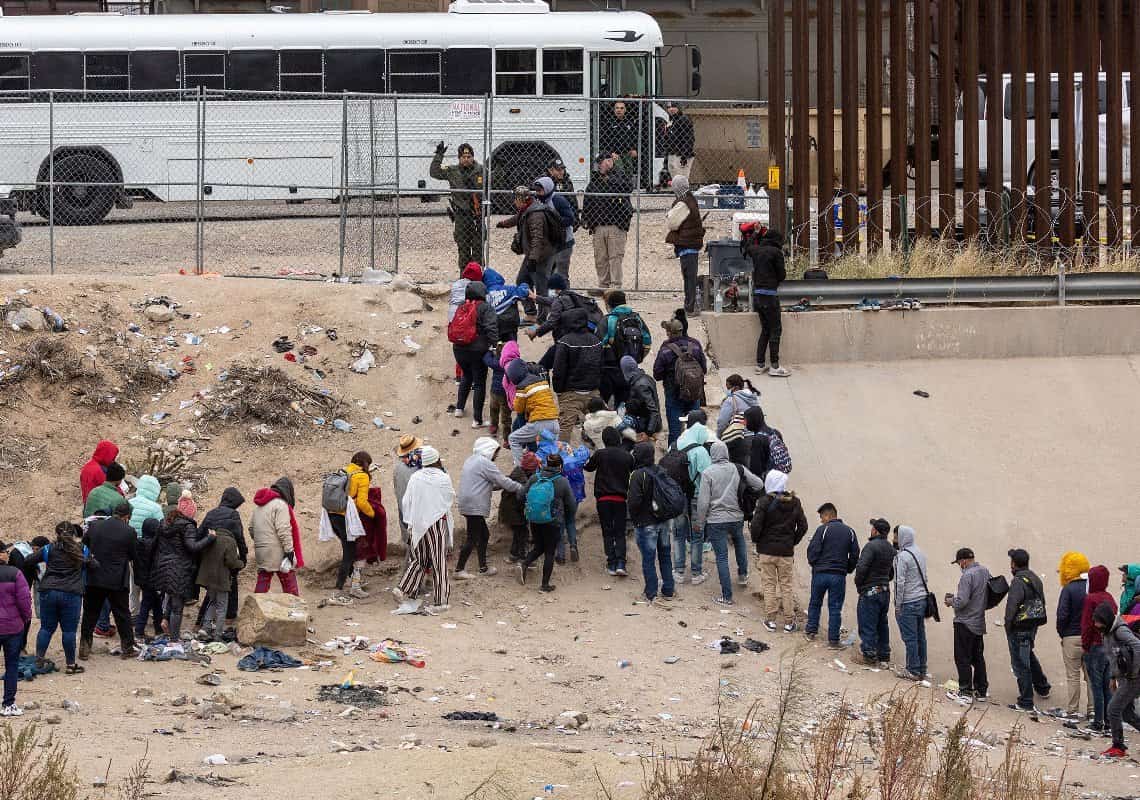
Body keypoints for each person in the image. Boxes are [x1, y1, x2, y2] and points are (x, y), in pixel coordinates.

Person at [694, 441, 765, 606]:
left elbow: (703, 502)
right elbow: (759, 484)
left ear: (712, 454)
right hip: (737, 517)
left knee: (721, 557)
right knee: (739, 541)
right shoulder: (737, 468)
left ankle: (726, 596)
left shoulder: (708, 473)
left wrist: (700, 521)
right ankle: (742, 575)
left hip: (716, 520)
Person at [395, 447, 455, 612]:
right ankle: (441, 601)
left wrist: (410, 521)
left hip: (417, 524)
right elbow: (449, 498)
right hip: (436, 524)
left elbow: (407, 501)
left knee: (419, 559)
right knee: (438, 562)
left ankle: (402, 588)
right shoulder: (443, 477)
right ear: (436, 460)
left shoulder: (415, 477)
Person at [29, 523, 92, 674]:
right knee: (69, 631)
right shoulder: (82, 549)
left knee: (46, 628)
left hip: (49, 591)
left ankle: (39, 661)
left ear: (56, 533)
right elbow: (94, 565)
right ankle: (70, 665)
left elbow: (28, 560)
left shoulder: (48, 548)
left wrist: (39, 571)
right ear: (74, 533)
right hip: (72, 593)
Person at [79, 502, 140, 660]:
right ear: (127, 517)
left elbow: (85, 543)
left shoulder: (95, 526)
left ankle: (84, 647)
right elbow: (133, 555)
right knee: (122, 614)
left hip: (94, 576)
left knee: (90, 613)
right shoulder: (129, 532)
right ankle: (127, 648)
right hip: (117, 580)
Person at [456, 437, 522, 580]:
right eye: (495, 453)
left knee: (484, 535)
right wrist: (522, 488)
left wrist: (503, 483)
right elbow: (503, 482)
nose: (496, 456)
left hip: (468, 503)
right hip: (475, 505)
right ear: (488, 450)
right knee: (472, 538)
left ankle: (483, 567)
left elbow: (487, 483)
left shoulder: (471, 460)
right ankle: (459, 569)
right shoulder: (485, 463)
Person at [150, 492, 211, 642]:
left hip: (162, 568)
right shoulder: (188, 526)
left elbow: (154, 546)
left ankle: (165, 620)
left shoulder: (164, 523)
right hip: (179, 568)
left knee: (171, 595)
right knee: (178, 607)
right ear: (190, 513)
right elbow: (192, 546)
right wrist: (209, 538)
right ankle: (174, 640)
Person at [750, 469, 807, 624]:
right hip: (786, 552)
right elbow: (803, 526)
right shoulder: (795, 502)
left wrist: (758, 541)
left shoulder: (764, 501)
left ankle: (771, 619)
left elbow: (755, 526)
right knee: (786, 586)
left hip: (767, 551)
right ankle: (789, 621)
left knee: (769, 584)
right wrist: (792, 541)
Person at [626, 442, 678, 604]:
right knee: (665, 556)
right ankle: (668, 590)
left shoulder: (637, 474)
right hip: (663, 522)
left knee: (648, 559)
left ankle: (651, 592)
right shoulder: (661, 471)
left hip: (645, 523)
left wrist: (635, 519)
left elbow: (633, 502)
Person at [518, 452, 576, 593]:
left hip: (535, 519)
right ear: (560, 466)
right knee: (549, 551)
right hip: (553, 521)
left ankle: (524, 564)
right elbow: (571, 504)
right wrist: (567, 515)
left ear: (545, 464)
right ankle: (544, 585)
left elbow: (520, 495)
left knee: (539, 547)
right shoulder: (562, 481)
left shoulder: (535, 478)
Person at [1004, 547, 1052, 712]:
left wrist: (1008, 626)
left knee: (1020, 663)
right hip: (1033, 625)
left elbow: (1012, 607)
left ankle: (1025, 700)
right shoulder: (1035, 578)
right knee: (1028, 654)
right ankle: (1042, 686)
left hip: (1019, 628)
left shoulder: (1018, 581)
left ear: (1014, 564)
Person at [804, 503, 859, 647]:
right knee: (835, 607)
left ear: (829, 515)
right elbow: (855, 555)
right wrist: (847, 569)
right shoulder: (850, 532)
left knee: (815, 602)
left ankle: (811, 632)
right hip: (838, 576)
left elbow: (812, 551)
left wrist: (815, 565)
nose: (821, 520)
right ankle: (833, 640)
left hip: (820, 574)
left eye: (822, 517)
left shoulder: (823, 530)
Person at [669, 414, 714, 585]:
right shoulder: (701, 451)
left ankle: (678, 572)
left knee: (678, 534)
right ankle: (696, 573)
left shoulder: (674, 445)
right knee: (697, 536)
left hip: (676, 497)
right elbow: (708, 477)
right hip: (696, 498)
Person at [1092, 602, 1140, 758]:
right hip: (1124, 677)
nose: (1096, 624)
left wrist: (1134, 671)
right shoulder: (1106, 632)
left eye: (1098, 621)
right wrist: (1113, 677)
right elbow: (1113, 657)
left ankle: (1118, 746)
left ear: (1105, 619)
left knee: (1113, 709)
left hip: (1133, 678)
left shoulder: (1120, 631)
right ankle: (1118, 745)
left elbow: (1138, 646)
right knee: (1127, 715)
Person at [584, 427, 634, 577]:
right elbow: (633, 471)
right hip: (620, 499)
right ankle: (621, 563)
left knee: (607, 531)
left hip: (603, 499)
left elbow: (588, 467)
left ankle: (611, 563)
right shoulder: (627, 456)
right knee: (620, 532)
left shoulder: (600, 454)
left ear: (604, 440)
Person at [195, 487, 246, 628]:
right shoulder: (234, 515)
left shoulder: (211, 514)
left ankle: (200, 622)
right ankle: (229, 619)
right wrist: (243, 557)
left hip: (210, 557)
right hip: (227, 557)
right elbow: (240, 538)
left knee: (211, 591)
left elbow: (199, 534)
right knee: (231, 585)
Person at [743, 225, 790, 377]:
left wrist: (755, 233)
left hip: (757, 296)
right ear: (777, 241)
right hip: (770, 296)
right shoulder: (776, 252)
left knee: (765, 330)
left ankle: (760, 364)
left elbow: (747, 245)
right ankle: (774, 366)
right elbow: (782, 275)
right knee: (775, 330)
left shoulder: (757, 250)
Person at [945, 547, 992, 701]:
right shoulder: (985, 571)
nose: (960, 566)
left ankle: (965, 690)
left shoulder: (967, 576)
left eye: (959, 562)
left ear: (964, 561)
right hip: (979, 622)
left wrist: (950, 601)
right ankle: (981, 690)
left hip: (964, 623)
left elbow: (962, 601)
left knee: (962, 657)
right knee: (978, 657)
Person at [652, 318, 708, 446]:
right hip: (694, 393)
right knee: (695, 430)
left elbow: (657, 374)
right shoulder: (695, 345)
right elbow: (703, 369)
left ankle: (674, 457)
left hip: (674, 394)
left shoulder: (665, 349)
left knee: (675, 432)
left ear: (669, 332)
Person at [451, 281, 499, 428]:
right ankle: (477, 420)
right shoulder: (485, 308)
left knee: (466, 375)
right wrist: (494, 345)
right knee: (479, 382)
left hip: (458, 348)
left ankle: (459, 408)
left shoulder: (461, 306)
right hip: (477, 351)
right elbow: (491, 328)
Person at [551, 307, 603, 442]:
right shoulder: (596, 340)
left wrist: (559, 391)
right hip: (592, 391)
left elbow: (558, 370)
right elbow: (600, 365)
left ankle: (560, 459)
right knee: (599, 427)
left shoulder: (565, 341)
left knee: (564, 429)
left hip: (570, 393)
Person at [328, 452, 376, 597]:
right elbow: (361, 502)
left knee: (349, 548)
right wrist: (373, 514)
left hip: (331, 514)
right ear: (366, 463)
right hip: (344, 517)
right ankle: (340, 588)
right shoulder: (362, 476)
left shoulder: (345, 470)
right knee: (350, 552)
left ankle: (350, 581)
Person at [582, 153, 633, 290]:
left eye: (606, 161)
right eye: (601, 162)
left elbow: (628, 188)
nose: (602, 164)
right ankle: (603, 285)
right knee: (601, 258)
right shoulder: (595, 182)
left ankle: (615, 287)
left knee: (615, 257)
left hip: (616, 225)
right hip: (599, 226)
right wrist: (586, 219)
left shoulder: (620, 176)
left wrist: (610, 178)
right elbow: (588, 201)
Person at [430, 141, 483, 270]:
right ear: (459, 158)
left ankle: (478, 279)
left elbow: (495, 181)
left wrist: (499, 166)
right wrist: (439, 155)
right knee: (463, 250)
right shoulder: (452, 171)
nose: (466, 159)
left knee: (478, 250)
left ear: (473, 157)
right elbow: (434, 172)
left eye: (469, 156)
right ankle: (464, 279)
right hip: (461, 217)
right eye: (463, 157)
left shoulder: (481, 170)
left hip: (477, 216)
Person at [250, 477, 302, 596]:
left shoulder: (258, 507)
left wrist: (262, 541)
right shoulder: (280, 504)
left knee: (263, 579)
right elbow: (283, 530)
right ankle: (295, 607)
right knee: (288, 579)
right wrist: (289, 550)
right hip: (277, 551)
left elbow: (251, 529)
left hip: (261, 550)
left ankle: (256, 606)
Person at [853, 518, 895, 666]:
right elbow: (891, 573)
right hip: (884, 590)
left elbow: (862, 568)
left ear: (875, 531)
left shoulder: (871, 546)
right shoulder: (890, 548)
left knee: (867, 623)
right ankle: (884, 654)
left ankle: (869, 654)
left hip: (870, 590)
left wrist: (859, 584)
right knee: (882, 623)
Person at [1056, 551, 1092, 721]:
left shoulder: (1068, 589)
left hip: (1071, 636)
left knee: (1073, 676)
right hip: (1091, 638)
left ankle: (1073, 711)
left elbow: (1062, 615)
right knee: (1091, 676)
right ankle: (1093, 710)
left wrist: (1063, 633)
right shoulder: (1092, 587)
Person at [599, 290, 651, 406]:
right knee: (625, 404)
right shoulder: (637, 319)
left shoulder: (607, 320)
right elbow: (647, 342)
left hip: (609, 370)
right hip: (630, 370)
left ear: (609, 305)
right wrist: (636, 358)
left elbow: (598, 344)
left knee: (604, 405)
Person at [1081, 565, 1117, 735]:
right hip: (1109, 645)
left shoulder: (1091, 599)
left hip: (1095, 645)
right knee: (1107, 685)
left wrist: (1085, 645)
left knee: (1096, 685)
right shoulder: (1110, 598)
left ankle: (1098, 722)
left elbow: (1087, 624)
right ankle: (1109, 721)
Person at [506, 358, 560, 465]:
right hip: (554, 422)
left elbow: (518, 408)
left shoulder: (522, 387)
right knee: (547, 453)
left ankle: (521, 469)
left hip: (539, 423)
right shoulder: (542, 382)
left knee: (513, 439)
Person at [194, 521, 242, 641]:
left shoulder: (211, 537)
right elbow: (231, 562)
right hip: (221, 579)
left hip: (208, 578)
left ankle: (205, 628)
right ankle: (218, 634)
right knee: (222, 606)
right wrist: (240, 563)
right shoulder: (230, 541)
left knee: (212, 602)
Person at [893, 525, 929, 681]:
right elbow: (925, 577)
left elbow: (899, 582)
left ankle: (913, 670)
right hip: (921, 600)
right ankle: (921, 668)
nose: (894, 540)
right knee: (920, 636)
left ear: (902, 537)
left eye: (895, 536)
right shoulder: (920, 553)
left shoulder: (902, 556)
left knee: (910, 638)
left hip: (908, 601)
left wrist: (897, 604)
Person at [665, 175, 706, 314]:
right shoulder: (690, 199)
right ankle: (690, 306)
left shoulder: (683, 203)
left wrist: (669, 215)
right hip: (691, 244)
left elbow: (672, 223)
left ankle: (691, 307)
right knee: (690, 276)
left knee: (689, 278)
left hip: (688, 245)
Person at [0, 543, 32, 716]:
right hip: (12, 627)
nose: (8, 554)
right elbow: (25, 600)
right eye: (5, 551)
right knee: (11, 666)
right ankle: (8, 704)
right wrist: (25, 618)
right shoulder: (15, 573)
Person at [510, 185, 556, 302]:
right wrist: (503, 223)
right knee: (522, 281)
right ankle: (531, 313)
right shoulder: (527, 209)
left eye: (515, 199)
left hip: (540, 256)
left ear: (520, 199)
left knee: (541, 287)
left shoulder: (535, 214)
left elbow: (537, 239)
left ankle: (544, 318)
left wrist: (533, 260)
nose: (514, 201)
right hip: (533, 254)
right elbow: (516, 218)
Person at [533, 175, 577, 280]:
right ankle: (548, 295)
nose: (538, 193)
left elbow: (570, 219)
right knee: (547, 273)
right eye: (536, 191)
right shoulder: (538, 201)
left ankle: (564, 295)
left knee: (561, 274)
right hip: (549, 244)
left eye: (540, 191)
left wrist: (553, 222)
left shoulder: (558, 200)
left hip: (564, 243)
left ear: (547, 189)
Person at [500, 451, 540, 565]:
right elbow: (523, 497)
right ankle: (524, 558)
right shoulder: (522, 479)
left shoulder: (519, 472)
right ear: (530, 468)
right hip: (514, 511)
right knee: (523, 533)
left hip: (511, 510)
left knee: (518, 533)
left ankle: (513, 555)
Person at [547, 158, 579, 278]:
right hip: (550, 228)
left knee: (563, 261)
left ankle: (562, 284)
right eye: (558, 170)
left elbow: (573, 202)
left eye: (562, 170)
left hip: (565, 226)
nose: (561, 172)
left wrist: (576, 220)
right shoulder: (546, 184)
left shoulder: (567, 182)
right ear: (550, 170)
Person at [483, 267, 532, 344]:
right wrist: (524, 285)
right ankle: (512, 352)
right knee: (511, 346)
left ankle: (498, 351)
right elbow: (523, 293)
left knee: (497, 346)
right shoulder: (508, 289)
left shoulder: (485, 296)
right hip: (510, 324)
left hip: (495, 326)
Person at [619, 355, 662, 440]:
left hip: (647, 427)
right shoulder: (644, 378)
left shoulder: (640, 386)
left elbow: (653, 410)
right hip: (649, 423)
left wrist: (648, 432)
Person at [393, 436, 423, 553]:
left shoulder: (398, 468)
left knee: (411, 543)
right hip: (416, 513)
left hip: (404, 512)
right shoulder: (418, 469)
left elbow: (397, 491)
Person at [133, 518, 162, 640]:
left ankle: (158, 628)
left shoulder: (138, 543)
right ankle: (139, 630)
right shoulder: (154, 544)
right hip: (153, 578)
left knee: (156, 604)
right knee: (147, 604)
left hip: (142, 578)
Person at [662, 100, 696, 182]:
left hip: (681, 154)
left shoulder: (683, 119)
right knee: (676, 179)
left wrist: (684, 155)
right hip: (673, 153)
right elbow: (669, 139)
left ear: (678, 108)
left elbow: (688, 138)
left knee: (681, 178)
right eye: (669, 107)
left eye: (674, 107)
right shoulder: (671, 121)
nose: (671, 109)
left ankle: (683, 194)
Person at [602, 100, 639, 172]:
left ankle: (628, 182)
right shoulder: (609, 122)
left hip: (628, 152)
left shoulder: (630, 122)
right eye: (617, 108)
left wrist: (634, 149)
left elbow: (635, 136)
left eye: (621, 108)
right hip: (615, 153)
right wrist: (611, 153)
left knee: (629, 171)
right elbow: (604, 140)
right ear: (614, 110)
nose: (619, 110)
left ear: (625, 110)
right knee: (619, 170)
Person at [79, 439, 119, 505]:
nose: (113, 461)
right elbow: (110, 489)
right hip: (99, 507)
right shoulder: (98, 470)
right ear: (107, 455)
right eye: (112, 457)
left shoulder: (88, 466)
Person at [485, 344, 511, 439]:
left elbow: (487, 359)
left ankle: (494, 425)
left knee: (493, 409)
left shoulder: (497, 363)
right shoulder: (512, 363)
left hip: (495, 391)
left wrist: (489, 351)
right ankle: (507, 435)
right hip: (507, 393)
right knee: (506, 415)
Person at [128, 474, 165, 539]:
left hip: (127, 541)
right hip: (145, 544)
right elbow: (161, 529)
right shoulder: (156, 508)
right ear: (155, 490)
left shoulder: (129, 502)